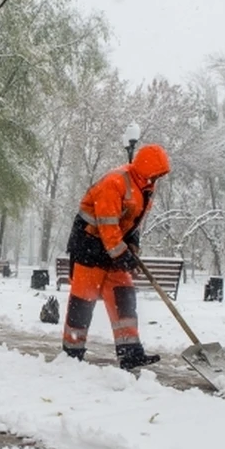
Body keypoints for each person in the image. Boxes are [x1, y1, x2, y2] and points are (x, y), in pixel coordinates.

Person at [61, 143, 171, 370]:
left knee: (124, 297)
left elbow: (132, 223)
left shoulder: (146, 188)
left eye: (158, 175)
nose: (156, 179)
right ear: (144, 168)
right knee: (83, 301)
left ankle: (130, 353)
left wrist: (132, 245)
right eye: (154, 174)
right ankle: (72, 354)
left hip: (112, 246)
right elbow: (107, 223)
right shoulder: (115, 182)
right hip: (89, 245)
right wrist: (122, 254)